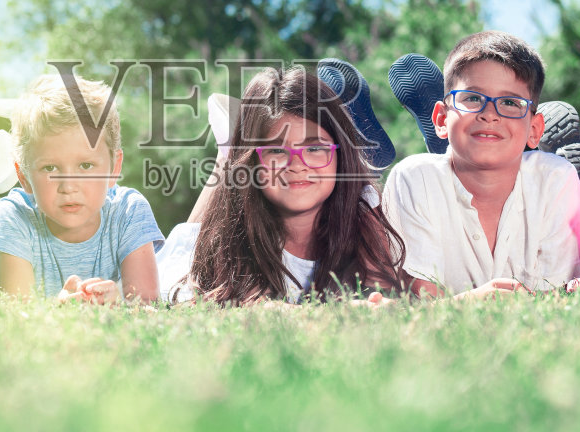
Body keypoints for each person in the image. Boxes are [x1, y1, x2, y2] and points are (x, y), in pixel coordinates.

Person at [159, 66, 419, 305]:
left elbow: (383, 293)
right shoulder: (228, 241)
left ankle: (235, 147)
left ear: (341, 156)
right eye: (277, 151)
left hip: (351, 191)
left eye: (315, 147)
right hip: (187, 251)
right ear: (255, 163)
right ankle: (227, 155)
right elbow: (236, 304)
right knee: (208, 212)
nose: (297, 165)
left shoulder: (361, 220)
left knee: (364, 195)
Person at [381, 31, 580, 296]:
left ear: (535, 130)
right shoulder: (414, 178)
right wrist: (478, 301)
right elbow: (422, 303)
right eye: (473, 98)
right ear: (441, 120)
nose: (490, 114)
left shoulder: (556, 178)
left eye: (511, 102)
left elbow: (560, 296)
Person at [0, 72, 162, 303]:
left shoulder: (129, 211)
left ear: (114, 168)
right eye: (50, 168)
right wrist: (56, 310)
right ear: (23, 176)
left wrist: (118, 303)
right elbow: (16, 313)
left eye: (85, 165)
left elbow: (147, 304)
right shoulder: (13, 216)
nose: (68, 186)